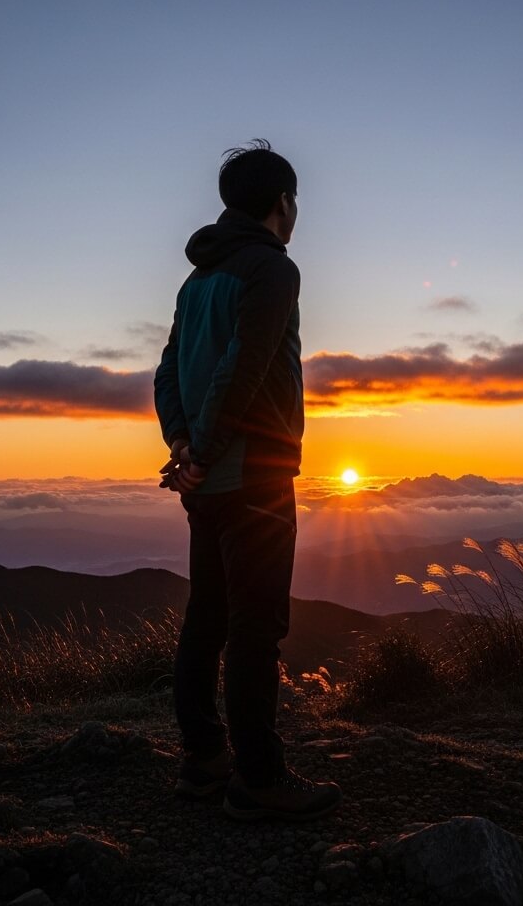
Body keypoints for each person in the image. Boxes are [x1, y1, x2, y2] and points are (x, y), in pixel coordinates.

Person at [154, 140, 341, 821]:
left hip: (203, 478)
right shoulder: (271, 270)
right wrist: (201, 448)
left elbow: (168, 369)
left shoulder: (197, 279)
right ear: (282, 204)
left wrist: (183, 446)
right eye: (296, 203)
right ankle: (259, 780)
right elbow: (247, 365)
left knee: (207, 617)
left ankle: (204, 761)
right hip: (254, 473)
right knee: (257, 628)